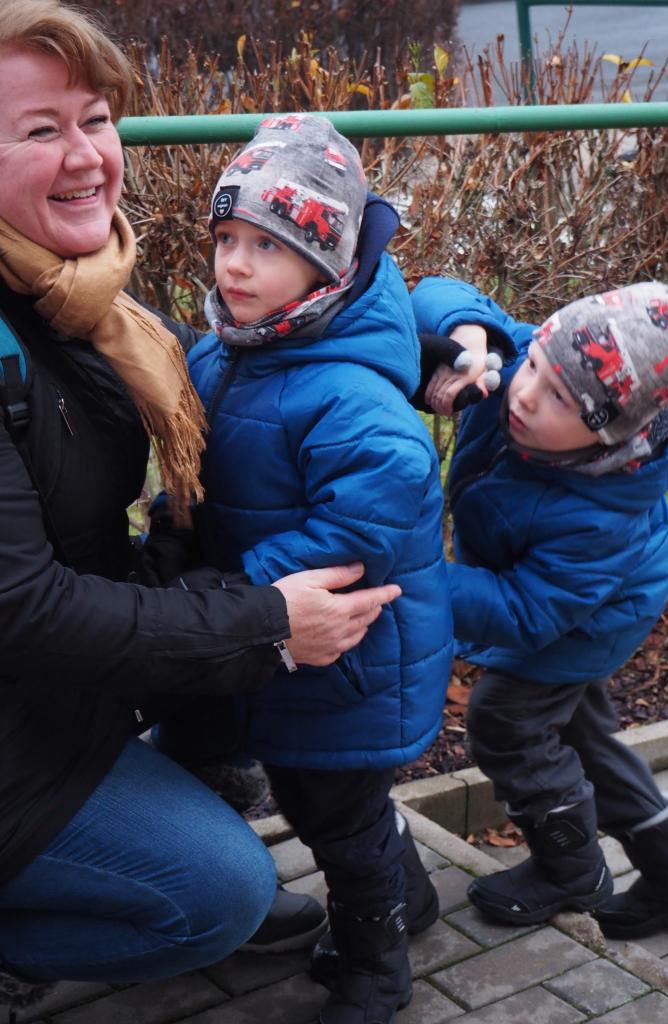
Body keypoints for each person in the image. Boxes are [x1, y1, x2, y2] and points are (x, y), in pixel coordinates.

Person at [0, 2, 402, 1017]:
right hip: (20, 707)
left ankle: (126, 860)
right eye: (41, 129)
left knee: (219, 770)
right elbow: (27, 608)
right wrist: (265, 623)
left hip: (55, 699)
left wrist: (457, 345)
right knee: (217, 893)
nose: (86, 155)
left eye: (96, 119)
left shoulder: (80, 298)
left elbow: (328, 307)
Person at [169, 114, 453, 1024]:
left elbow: (366, 517)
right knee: (318, 796)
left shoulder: (347, 390)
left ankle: (378, 969)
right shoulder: (232, 347)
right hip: (274, 633)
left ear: (326, 264)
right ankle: (413, 898)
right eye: (226, 238)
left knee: (338, 816)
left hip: (343, 654)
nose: (235, 265)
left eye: (268, 246)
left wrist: (237, 586)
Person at [411, 276, 668, 938]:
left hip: (591, 615)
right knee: (580, 731)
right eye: (533, 365)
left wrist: (420, 580)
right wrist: (472, 337)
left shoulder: (601, 519)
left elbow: (525, 613)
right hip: (567, 593)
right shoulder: (546, 362)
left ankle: (569, 870)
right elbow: (439, 292)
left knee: (507, 719)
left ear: (609, 438)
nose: (525, 392)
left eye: (559, 398)